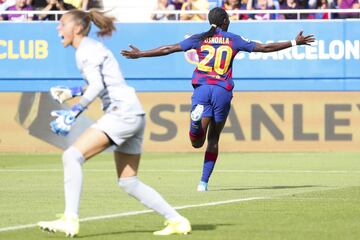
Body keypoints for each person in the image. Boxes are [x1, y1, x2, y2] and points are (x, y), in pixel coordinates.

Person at [121, 7, 315, 192]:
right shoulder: (233, 39)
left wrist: (140, 54)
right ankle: (203, 183)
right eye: (228, 19)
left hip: (202, 88)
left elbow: (168, 49)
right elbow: (264, 47)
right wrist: (293, 42)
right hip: (222, 90)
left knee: (196, 142)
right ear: (224, 21)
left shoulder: (199, 38)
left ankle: (195, 123)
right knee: (213, 139)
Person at [37, 8, 191, 237]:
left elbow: (98, 86)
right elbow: (104, 83)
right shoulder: (92, 48)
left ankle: (70, 219)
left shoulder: (84, 51)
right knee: (128, 182)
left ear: (77, 28)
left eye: (62, 24)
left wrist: (76, 110)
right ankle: (177, 221)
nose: (58, 28)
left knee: (71, 156)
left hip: (122, 113)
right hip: (134, 112)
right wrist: (73, 91)